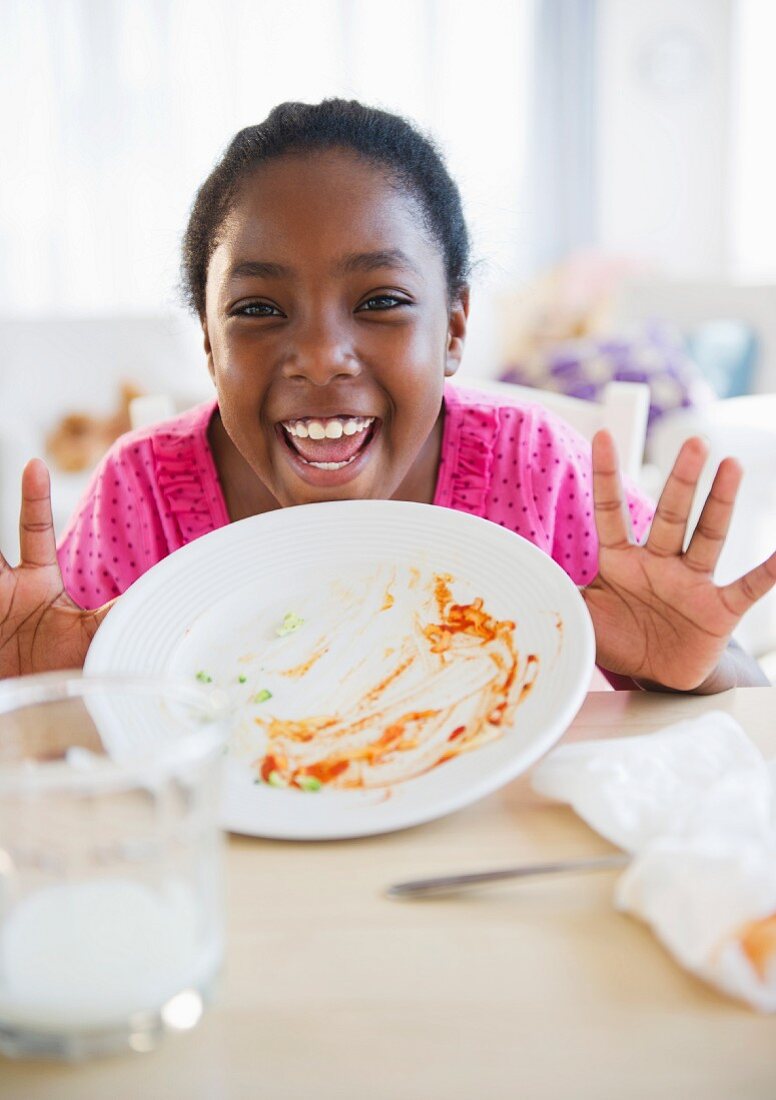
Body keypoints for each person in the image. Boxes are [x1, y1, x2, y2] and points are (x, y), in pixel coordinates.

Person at [0, 99, 773, 690]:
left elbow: (725, 695)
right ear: (208, 342)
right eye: (258, 310)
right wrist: (34, 687)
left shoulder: (534, 472)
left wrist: (694, 669)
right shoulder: (145, 494)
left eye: (380, 302)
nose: (320, 356)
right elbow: (73, 729)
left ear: (455, 328)